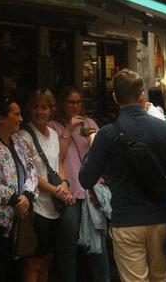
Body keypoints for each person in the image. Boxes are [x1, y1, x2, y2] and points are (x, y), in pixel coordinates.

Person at [80, 69, 166, 282]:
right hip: (160, 219)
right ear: (141, 96)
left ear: (114, 98)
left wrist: (93, 147)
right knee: (159, 278)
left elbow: (86, 179)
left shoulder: (107, 134)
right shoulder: (165, 129)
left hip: (126, 220)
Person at [48, 86, 110, 282]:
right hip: (70, 192)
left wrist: (93, 140)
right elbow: (57, 157)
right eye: (70, 102)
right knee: (69, 243)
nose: (75, 106)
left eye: (78, 102)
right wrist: (68, 129)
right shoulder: (53, 127)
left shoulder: (90, 123)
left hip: (92, 190)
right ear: (62, 104)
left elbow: (101, 157)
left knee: (98, 241)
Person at [0, 98, 40, 282]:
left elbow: (31, 170)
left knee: (15, 273)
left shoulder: (19, 141)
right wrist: (16, 201)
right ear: (2, 118)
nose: (21, 118)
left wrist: (27, 196)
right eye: (16, 114)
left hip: (19, 222)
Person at [21, 89, 76, 282]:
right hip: (37, 209)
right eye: (35, 107)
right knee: (34, 262)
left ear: (50, 110)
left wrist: (64, 184)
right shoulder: (24, 135)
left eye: (44, 107)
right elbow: (31, 174)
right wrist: (58, 191)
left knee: (48, 259)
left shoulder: (53, 133)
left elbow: (57, 163)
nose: (39, 111)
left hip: (54, 208)